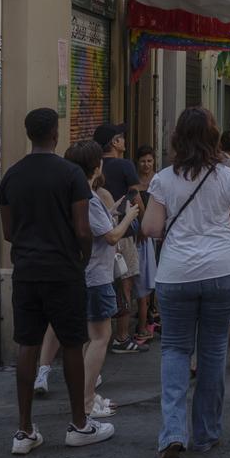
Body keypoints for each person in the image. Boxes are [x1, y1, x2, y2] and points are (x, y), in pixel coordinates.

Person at [142, 107, 230, 458]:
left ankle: (173, 431)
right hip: (224, 271)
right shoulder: (228, 178)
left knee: (175, 349)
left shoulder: (162, 179)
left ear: (177, 138)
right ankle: (206, 433)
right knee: (213, 350)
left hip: (176, 274)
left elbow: (150, 229)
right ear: (213, 138)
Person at [0, 108, 114, 454]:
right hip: (63, 270)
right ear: (55, 134)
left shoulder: (12, 176)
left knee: (27, 346)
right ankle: (79, 423)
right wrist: (80, 258)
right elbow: (82, 228)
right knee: (73, 343)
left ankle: (23, 430)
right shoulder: (70, 175)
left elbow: (7, 231)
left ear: (29, 134)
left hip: (27, 270)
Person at [65, 140, 144, 420]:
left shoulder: (73, 194)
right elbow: (110, 237)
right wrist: (129, 217)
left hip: (81, 274)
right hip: (96, 276)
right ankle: (85, 403)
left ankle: (86, 397)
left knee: (89, 338)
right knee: (101, 337)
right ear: (95, 166)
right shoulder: (88, 196)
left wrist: (111, 216)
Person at [93, 123, 147, 354]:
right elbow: (135, 198)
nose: (124, 141)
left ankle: (98, 335)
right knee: (125, 281)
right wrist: (144, 224)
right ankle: (122, 337)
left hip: (98, 234)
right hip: (122, 231)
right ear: (114, 143)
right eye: (121, 138)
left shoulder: (95, 166)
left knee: (103, 283)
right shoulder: (125, 165)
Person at [132, 144, 159, 342]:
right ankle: (146, 313)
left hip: (157, 234)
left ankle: (153, 311)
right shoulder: (133, 182)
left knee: (156, 274)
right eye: (143, 161)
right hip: (141, 236)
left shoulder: (158, 180)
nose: (146, 165)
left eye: (149, 161)